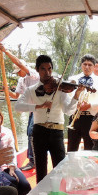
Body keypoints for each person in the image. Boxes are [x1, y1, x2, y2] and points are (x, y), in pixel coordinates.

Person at [15, 55, 81, 183]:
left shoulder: (60, 89)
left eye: (50, 69)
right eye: (43, 69)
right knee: (41, 169)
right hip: (39, 131)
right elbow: (18, 106)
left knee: (61, 167)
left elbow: (68, 111)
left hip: (57, 132)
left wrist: (76, 95)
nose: (47, 73)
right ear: (37, 70)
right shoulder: (32, 90)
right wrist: (38, 106)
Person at [0, 43, 39, 171]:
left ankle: (34, 160)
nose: (18, 74)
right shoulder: (21, 80)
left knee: (32, 132)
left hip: (40, 108)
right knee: (29, 132)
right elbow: (16, 96)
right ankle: (32, 158)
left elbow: (21, 64)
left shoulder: (32, 74)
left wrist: (5, 51)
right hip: (31, 110)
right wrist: (6, 90)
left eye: (19, 71)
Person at [67, 54, 98, 152]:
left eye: (90, 65)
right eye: (85, 64)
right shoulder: (72, 79)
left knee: (91, 150)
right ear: (81, 65)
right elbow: (67, 98)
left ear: (94, 66)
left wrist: (90, 105)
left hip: (92, 119)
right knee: (71, 149)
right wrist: (75, 104)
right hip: (75, 117)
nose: (87, 67)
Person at [0, 105, 32, 195]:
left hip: (8, 165)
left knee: (25, 186)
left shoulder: (7, 132)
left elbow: (11, 152)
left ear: (1, 118)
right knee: (12, 183)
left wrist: (12, 168)